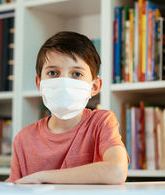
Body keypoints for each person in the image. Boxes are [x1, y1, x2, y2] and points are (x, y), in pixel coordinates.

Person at [8, 31, 129, 184]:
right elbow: (14, 187)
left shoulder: (101, 123)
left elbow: (116, 171)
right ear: (39, 83)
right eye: (53, 72)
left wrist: (42, 177)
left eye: (77, 74)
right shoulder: (24, 139)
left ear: (95, 86)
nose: (64, 83)